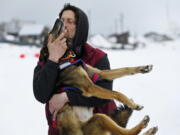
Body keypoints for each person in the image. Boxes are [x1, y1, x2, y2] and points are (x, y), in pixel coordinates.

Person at [33, 3, 117, 135]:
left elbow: (105, 94)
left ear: (80, 28)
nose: (64, 25)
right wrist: (53, 59)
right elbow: (40, 94)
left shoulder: (97, 56)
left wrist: (67, 97)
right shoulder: (48, 53)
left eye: (70, 21)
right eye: (61, 21)